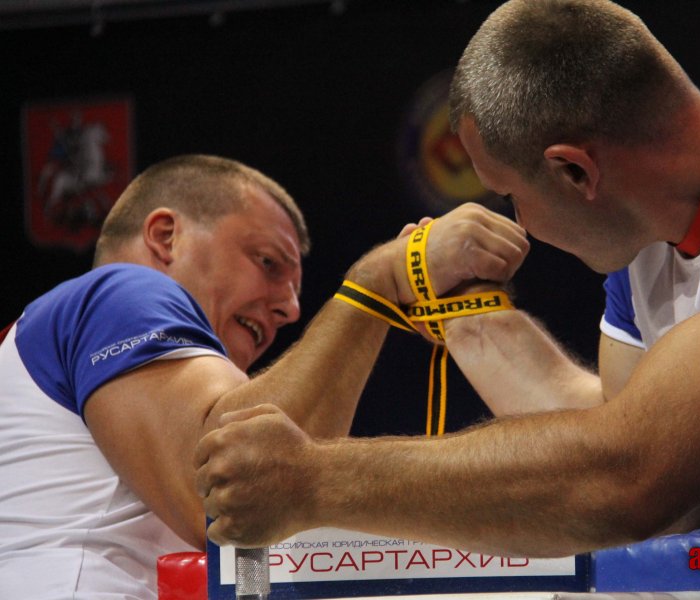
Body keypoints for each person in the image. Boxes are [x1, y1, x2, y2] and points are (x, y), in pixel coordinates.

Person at [194, 2, 700, 599]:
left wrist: (315, 481)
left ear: (572, 169)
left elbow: (635, 478)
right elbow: (635, 448)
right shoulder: (651, 228)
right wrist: (465, 312)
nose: (517, 218)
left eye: (510, 192)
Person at [0, 154, 529, 599]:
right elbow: (230, 489)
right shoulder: (123, 291)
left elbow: (291, 494)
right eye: (268, 263)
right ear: (165, 236)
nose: (291, 308)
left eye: (296, 287)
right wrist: (379, 282)